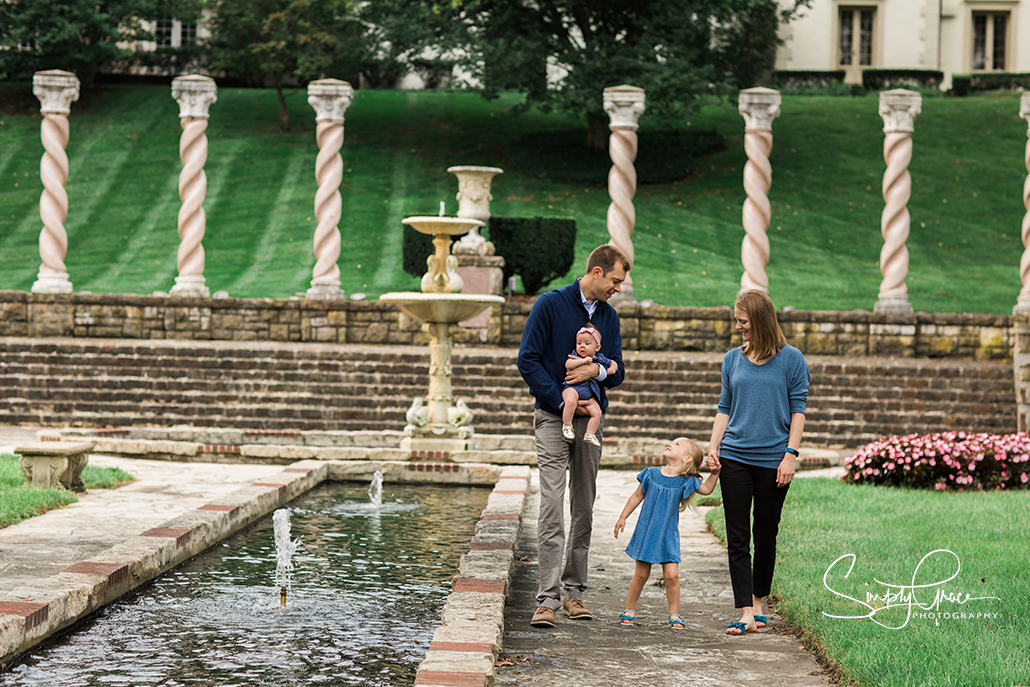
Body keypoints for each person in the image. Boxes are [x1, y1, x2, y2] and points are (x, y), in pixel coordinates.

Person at [517, 244, 630, 628]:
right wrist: (561, 397)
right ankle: (546, 600)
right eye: (615, 280)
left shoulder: (610, 318)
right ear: (596, 272)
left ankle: (574, 593)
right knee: (551, 502)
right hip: (553, 417)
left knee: (583, 505)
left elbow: (617, 371)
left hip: (591, 423)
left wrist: (593, 374)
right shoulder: (550, 305)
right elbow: (527, 360)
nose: (618, 288)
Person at [706, 289, 810, 636]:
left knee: (765, 534)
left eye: (743, 321)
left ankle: (759, 600)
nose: (738, 327)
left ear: (761, 321)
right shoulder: (732, 359)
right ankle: (745, 611)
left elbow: (798, 411)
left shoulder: (792, 359)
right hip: (734, 457)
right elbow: (724, 407)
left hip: (773, 460)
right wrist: (713, 446)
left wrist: (790, 456)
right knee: (737, 537)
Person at [614, 437, 720, 629]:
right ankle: (630, 609)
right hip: (647, 532)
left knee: (672, 576)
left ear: (687, 458)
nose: (671, 444)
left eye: (677, 444)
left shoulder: (686, 481)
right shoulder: (651, 474)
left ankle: (674, 613)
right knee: (641, 575)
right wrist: (623, 517)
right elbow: (637, 496)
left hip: (668, 535)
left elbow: (706, 489)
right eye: (672, 442)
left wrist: (715, 473)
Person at [561, 324, 617, 447]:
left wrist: (612, 368)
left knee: (597, 412)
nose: (582, 346)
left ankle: (590, 434)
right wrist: (583, 361)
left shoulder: (600, 358)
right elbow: (568, 364)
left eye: (587, 344)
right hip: (572, 388)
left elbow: (614, 362)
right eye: (579, 343)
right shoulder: (575, 355)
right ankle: (567, 426)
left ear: (597, 347)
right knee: (570, 402)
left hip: (589, 393)